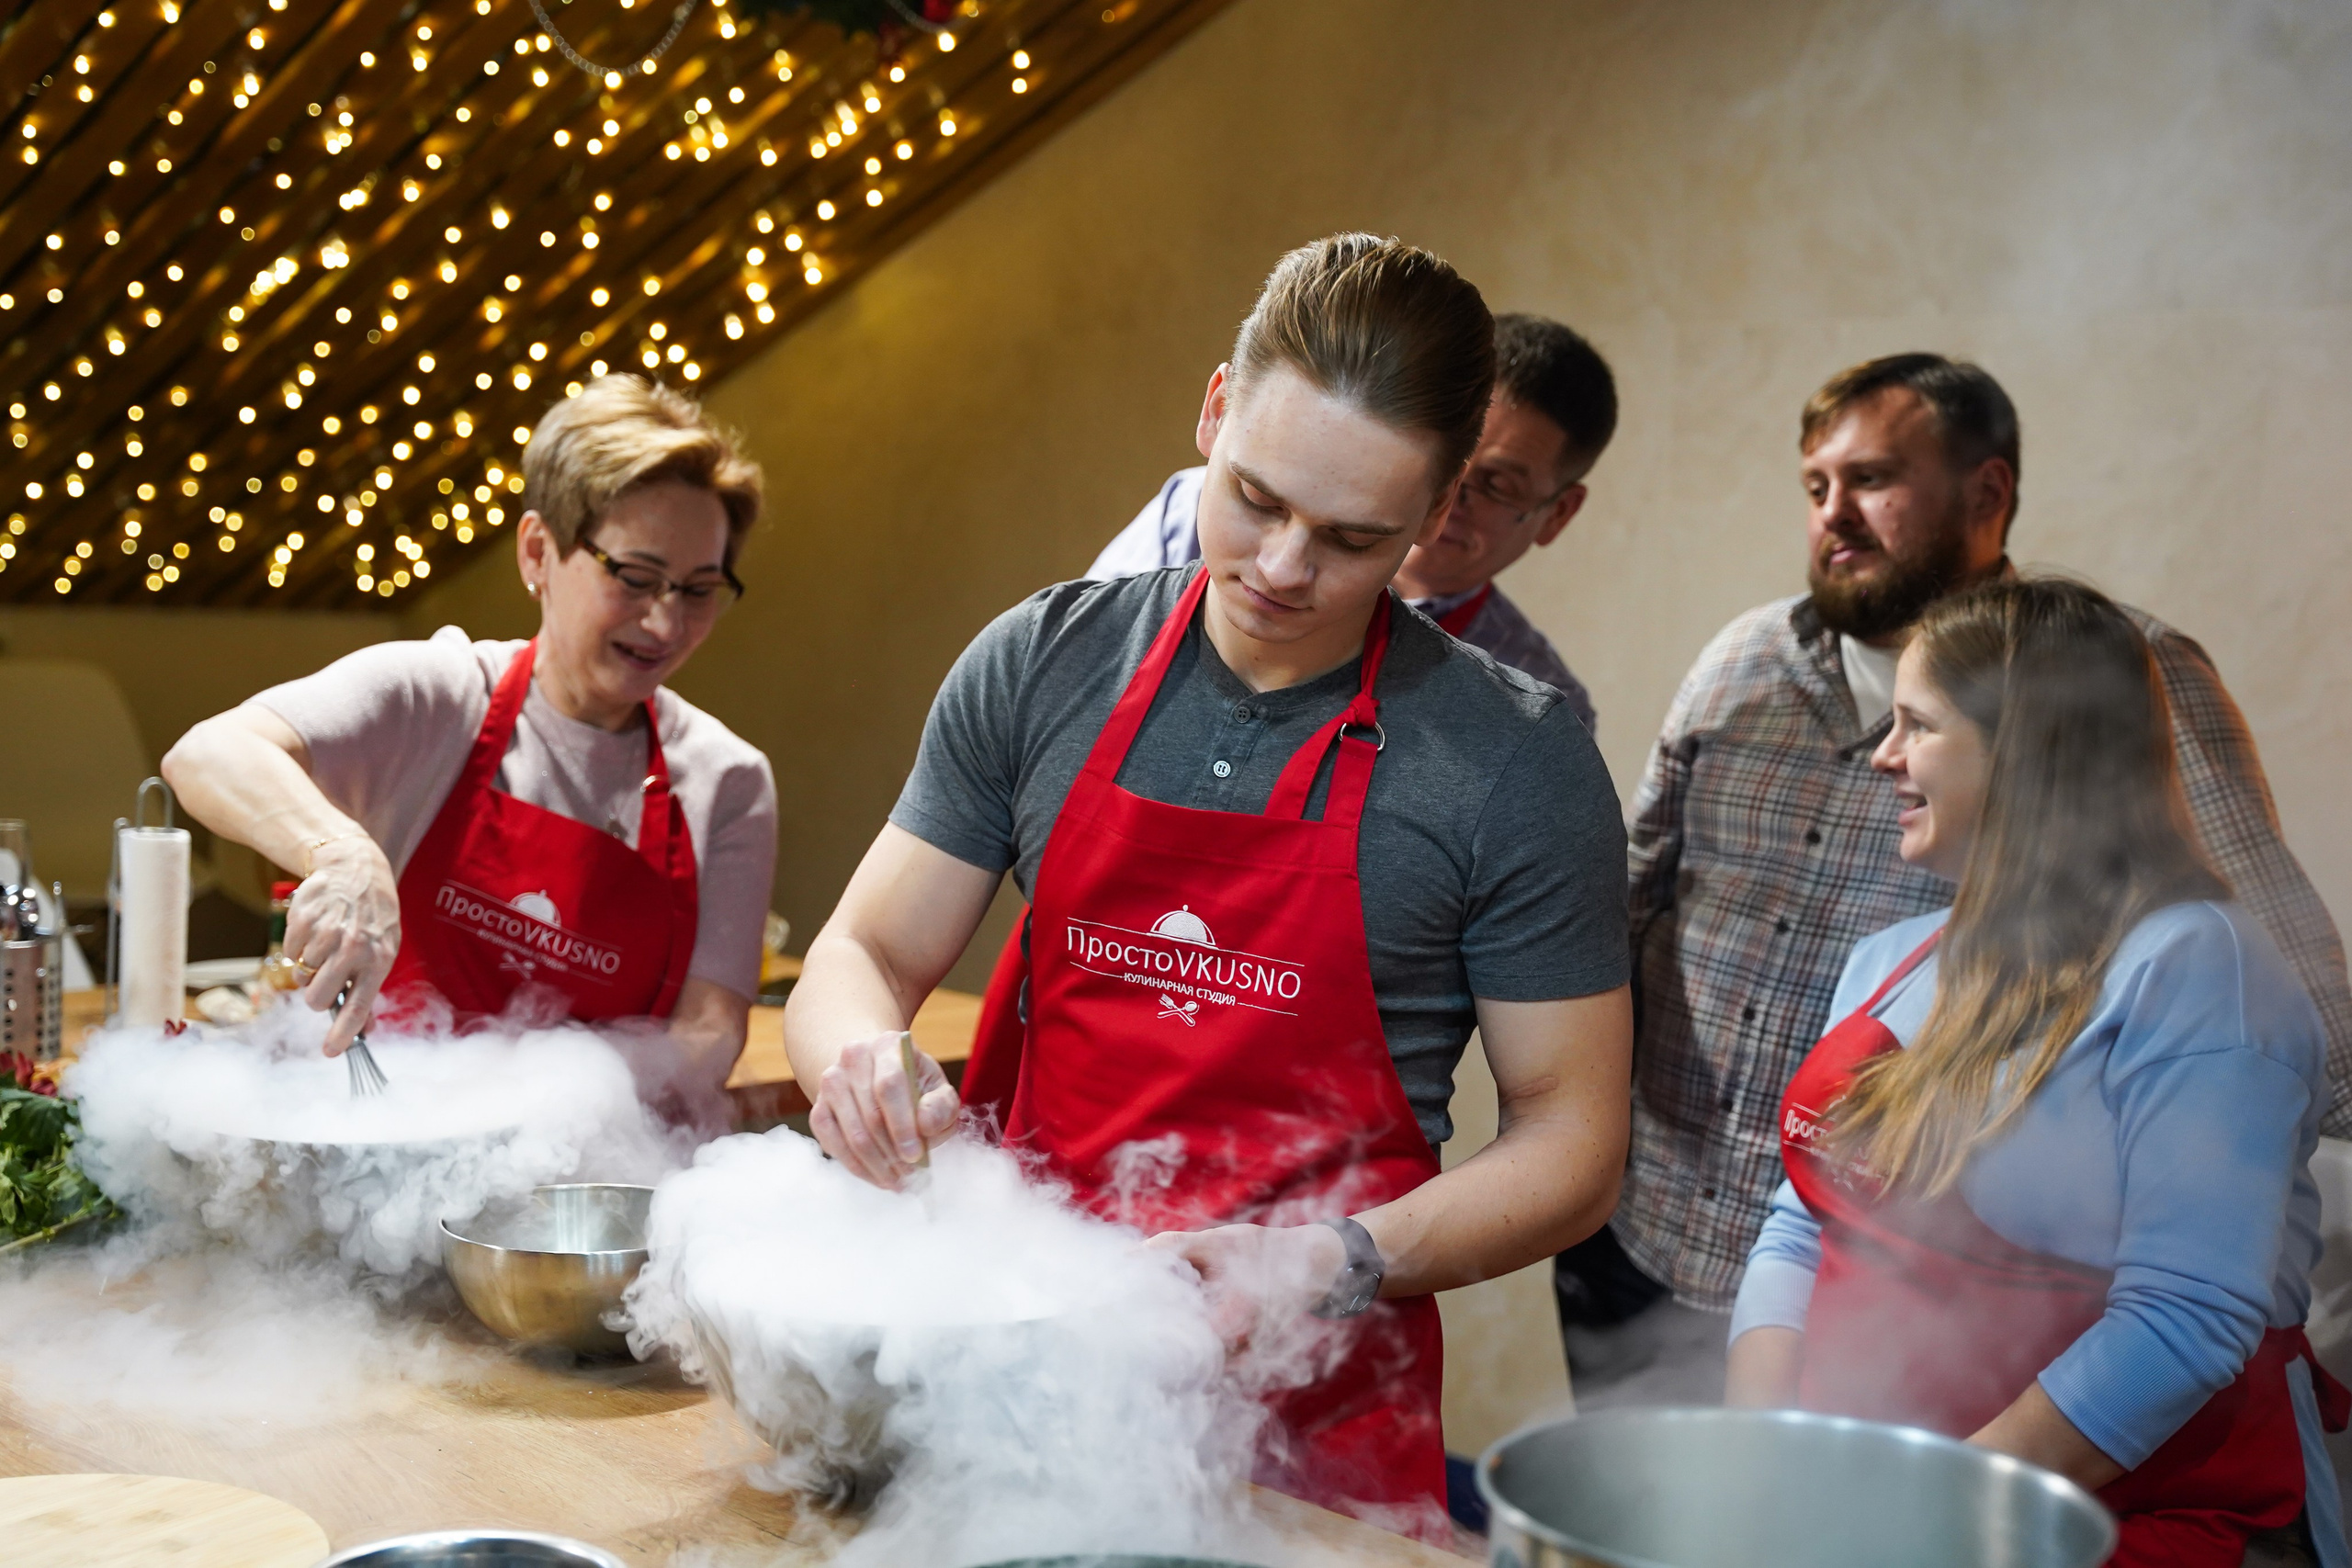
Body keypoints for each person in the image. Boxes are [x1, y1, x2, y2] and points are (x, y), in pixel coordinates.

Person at [781, 234, 1633, 1539]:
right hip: (1011, 1362)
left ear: (1438, 504)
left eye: (1355, 538)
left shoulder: (1516, 760)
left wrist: (1332, 1258)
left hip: (1308, 1424)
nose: (1286, 567)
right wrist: (854, 1056)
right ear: (1216, 407)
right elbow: (865, 949)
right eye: (1256, 498)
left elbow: (1573, 1144)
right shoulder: (1045, 658)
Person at [1575, 354, 2352, 1400]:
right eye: (1815, 487)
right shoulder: (1744, 664)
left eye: (1873, 479)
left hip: (1933, 1309)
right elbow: (1626, 909)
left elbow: (2299, 1029)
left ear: (1986, 494)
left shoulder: (2120, 677)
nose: (1833, 515)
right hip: (1668, 1237)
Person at [1724, 578, 2348, 1568]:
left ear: (2025, 755)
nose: (1883, 757)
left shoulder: (2193, 972)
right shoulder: (1891, 960)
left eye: (1917, 726)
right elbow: (1799, 1229)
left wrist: (1926, 1515)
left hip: (2127, 1514)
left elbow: (2184, 1322)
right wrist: (1761, 1461)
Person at [162, 376, 777, 1094]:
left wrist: (518, 1105)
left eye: (699, 589)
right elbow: (207, 754)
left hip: (592, 1165)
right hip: (380, 1152)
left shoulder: (728, 778)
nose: (666, 624)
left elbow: (707, 1036)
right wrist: (345, 855)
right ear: (538, 552)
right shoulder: (439, 695)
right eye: (637, 578)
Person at [1089, 310, 1614, 728]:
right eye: (1446, 464)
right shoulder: (1197, 510)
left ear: (1558, 514)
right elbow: (1079, 678)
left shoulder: (1535, 705)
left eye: (1497, 486)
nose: (1283, 569)